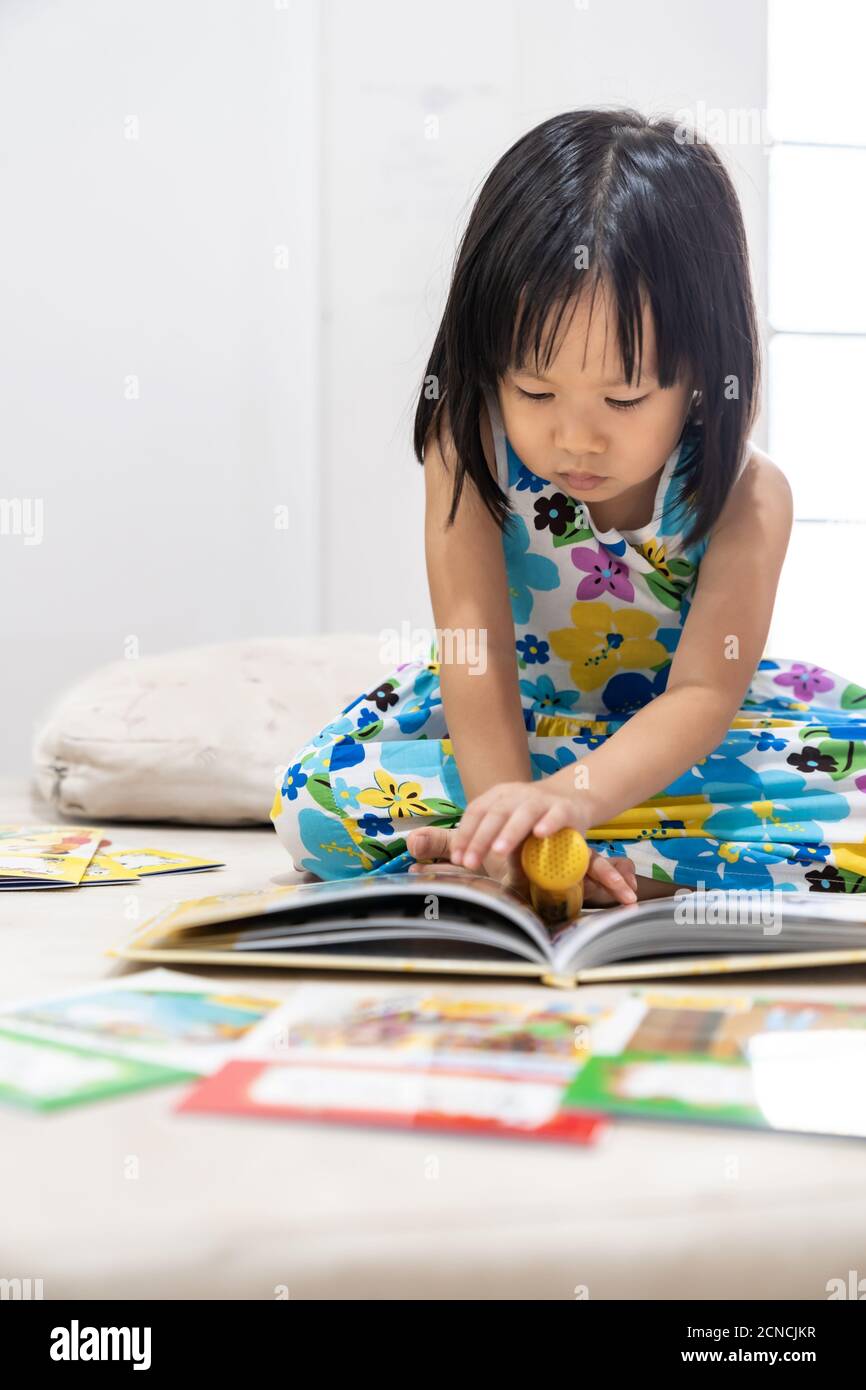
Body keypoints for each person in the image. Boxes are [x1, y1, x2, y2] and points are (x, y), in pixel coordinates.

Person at [271, 108, 866, 907]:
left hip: (671, 750)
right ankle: (587, 870)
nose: (575, 439)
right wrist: (508, 820)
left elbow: (701, 699)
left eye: (623, 399)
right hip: (508, 732)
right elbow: (472, 653)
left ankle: (567, 866)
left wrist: (572, 801)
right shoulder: (469, 446)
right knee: (314, 805)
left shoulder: (748, 499)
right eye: (536, 390)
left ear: (701, 374)